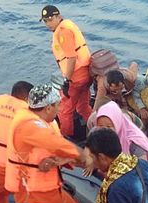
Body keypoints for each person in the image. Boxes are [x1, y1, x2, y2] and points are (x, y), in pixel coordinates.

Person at [5, 84, 86, 203]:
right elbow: (57, 144)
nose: (60, 109)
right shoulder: (28, 127)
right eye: (58, 105)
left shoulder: (43, 122)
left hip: (52, 187)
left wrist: (64, 160)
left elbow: (56, 150)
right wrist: (84, 155)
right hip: (35, 192)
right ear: (48, 108)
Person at [40, 5, 93, 137]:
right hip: (86, 73)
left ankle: (66, 138)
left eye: (50, 19)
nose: (48, 24)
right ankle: (97, 128)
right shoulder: (67, 26)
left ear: (58, 16)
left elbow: (71, 58)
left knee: (64, 110)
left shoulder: (63, 32)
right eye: (45, 21)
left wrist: (66, 81)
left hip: (76, 77)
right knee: (83, 107)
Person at [92, 101, 148, 181]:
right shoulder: (96, 133)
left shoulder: (132, 141)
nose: (104, 130)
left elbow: (142, 168)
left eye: (109, 126)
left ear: (117, 124)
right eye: (100, 125)